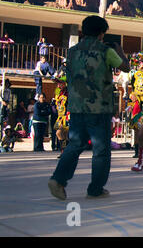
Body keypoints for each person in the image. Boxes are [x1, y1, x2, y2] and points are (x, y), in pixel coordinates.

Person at [48, 15, 130, 200]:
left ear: (83, 31)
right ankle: (95, 189)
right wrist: (120, 51)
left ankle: (58, 180)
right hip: (99, 107)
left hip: (76, 106)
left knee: (75, 144)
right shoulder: (105, 51)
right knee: (101, 150)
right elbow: (125, 67)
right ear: (102, 33)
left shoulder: (72, 52)